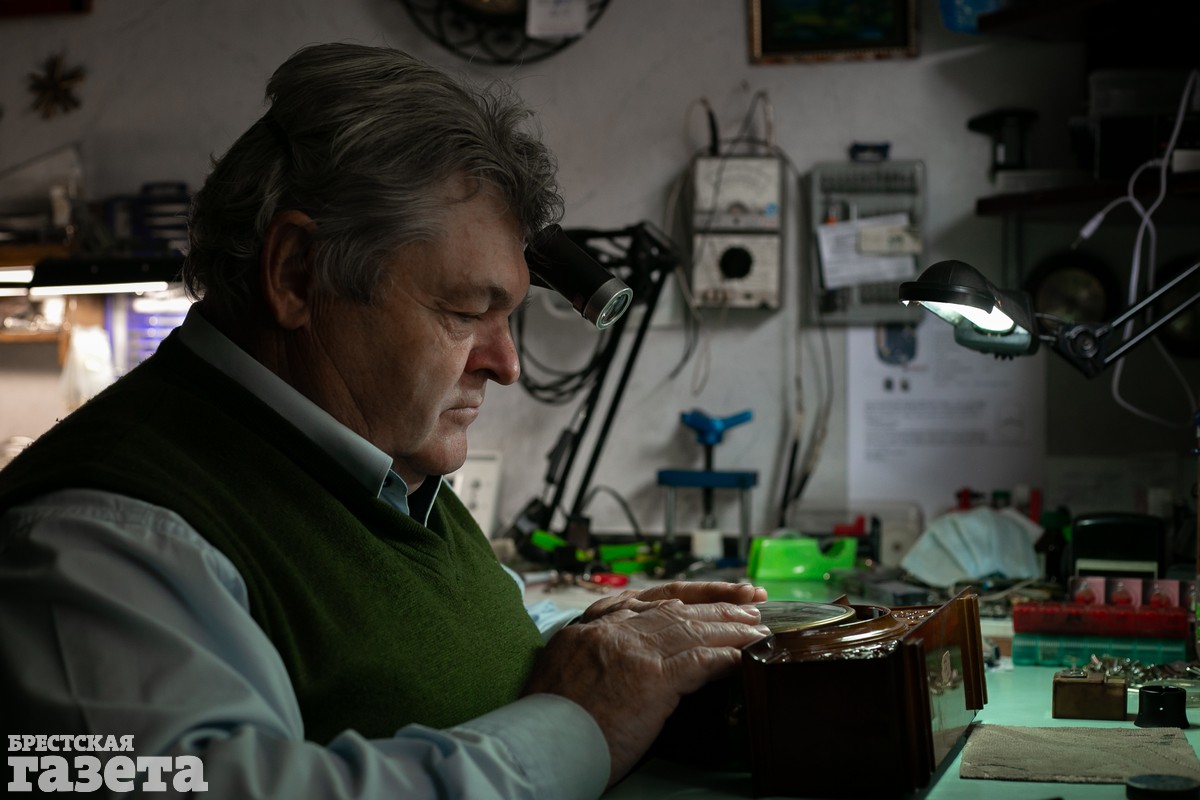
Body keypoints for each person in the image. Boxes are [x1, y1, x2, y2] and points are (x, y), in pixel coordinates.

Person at [0, 43, 768, 799]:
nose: (506, 364)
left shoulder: (372, 459)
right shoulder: (99, 543)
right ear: (298, 274)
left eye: (507, 317)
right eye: (465, 312)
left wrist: (585, 645)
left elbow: (416, 656)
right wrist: (580, 719)